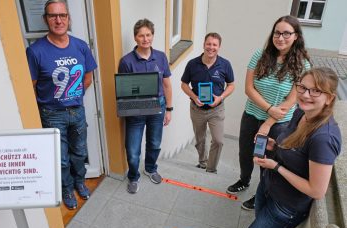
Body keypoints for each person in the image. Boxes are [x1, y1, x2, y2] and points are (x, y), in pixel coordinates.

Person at [238, 67, 342, 228]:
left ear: (329, 98)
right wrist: (274, 146)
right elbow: (294, 149)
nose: (305, 95)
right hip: (267, 187)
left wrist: (276, 167)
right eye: (302, 87)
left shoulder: (324, 138)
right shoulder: (300, 114)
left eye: (315, 91)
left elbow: (317, 190)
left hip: (285, 206)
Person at [226, 15, 311, 210]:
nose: (280, 38)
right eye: (277, 33)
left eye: (286, 33)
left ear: (296, 36)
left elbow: (291, 100)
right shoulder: (260, 55)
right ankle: (244, 180)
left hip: (279, 123)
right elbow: (249, 88)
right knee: (246, 152)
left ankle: (261, 194)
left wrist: (267, 123)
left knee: (268, 160)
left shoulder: (303, 65)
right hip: (251, 115)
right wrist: (268, 108)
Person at [26, 0, 97, 209]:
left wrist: (72, 96)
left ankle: (80, 182)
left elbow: (88, 78)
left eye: (62, 15)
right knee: (61, 158)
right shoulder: (35, 51)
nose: (58, 20)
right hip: (52, 114)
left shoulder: (81, 46)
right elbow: (31, 87)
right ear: (45, 19)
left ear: (69, 18)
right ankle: (66, 188)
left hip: (77, 110)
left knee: (79, 152)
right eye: (53, 16)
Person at [118, 18, 173, 194]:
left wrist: (169, 109)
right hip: (136, 109)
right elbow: (124, 90)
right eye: (141, 35)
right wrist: (127, 109)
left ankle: (150, 168)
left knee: (155, 143)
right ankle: (133, 176)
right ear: (135, 38)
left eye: (148, 35)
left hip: (158, 106)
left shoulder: (161, 57)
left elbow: (167, 85)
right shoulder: (126, 61)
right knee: (133, 150)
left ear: (152, 35)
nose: (145, 39)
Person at [181, 32, 235, 173]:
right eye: (208, 44)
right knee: (200, 139)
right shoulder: (192, 64)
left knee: (218, 140)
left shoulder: (225, 64)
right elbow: (184, 84)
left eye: (214, 45)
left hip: (216, 110)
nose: (211, 47)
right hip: (197, 109)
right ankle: (203, 162)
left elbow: (231, 85)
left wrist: (220, 97)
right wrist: (193, 97)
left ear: (219, 47)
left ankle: (211, 168)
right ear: (204, 45)